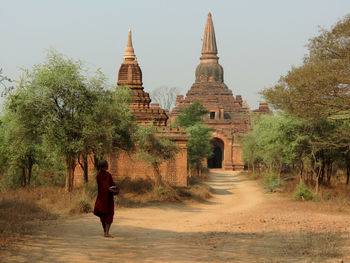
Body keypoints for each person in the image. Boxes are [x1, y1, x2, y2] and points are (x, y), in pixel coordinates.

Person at [93, 160, 119, 237]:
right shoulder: (100, 175)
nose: (108, 165)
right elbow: (104, 186)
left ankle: (106, 232)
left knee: (106, 214)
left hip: (105, 197)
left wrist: (116, 188)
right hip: (103, 198)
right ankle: (106, 232)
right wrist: (110, 189)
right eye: (107, 164)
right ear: (105, 166)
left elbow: (111, 184)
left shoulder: (107, 175)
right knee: (105, 214)